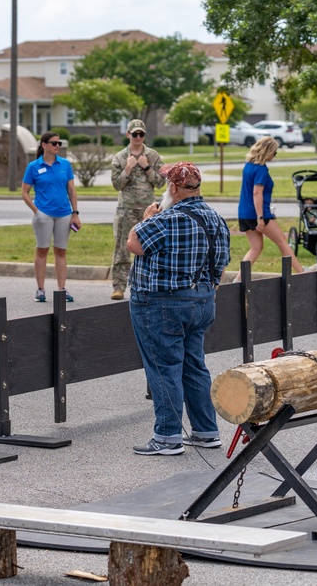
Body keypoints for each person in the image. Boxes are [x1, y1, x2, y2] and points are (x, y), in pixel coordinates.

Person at [127, 162, 230, 456]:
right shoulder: (216, 219)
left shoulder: (166, 219)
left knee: (164, 367)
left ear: (173, 188)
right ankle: (206, 431)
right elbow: (221, 264)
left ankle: (167, 436)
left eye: (166, 185)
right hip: (201, 300)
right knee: (194, 365)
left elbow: (133, 243)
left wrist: (145, 218)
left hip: (161, 303)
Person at [21, 131, 82, 303]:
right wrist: (36, 211)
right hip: (44, 214)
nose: (57, 146)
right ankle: (40, 289)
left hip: (64, 213)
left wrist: (75, 213)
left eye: (59, 143)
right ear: (44, 145)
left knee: (61, 251)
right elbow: (24, 193)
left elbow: (71, 190)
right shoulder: (34, 166)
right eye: (54, 143)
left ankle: (62, 288)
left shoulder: (65, 165)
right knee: (42, 250)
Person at [109, 119, 164, 300]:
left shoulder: (153, 155)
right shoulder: (120, 157)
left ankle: (148, 285)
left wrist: (147, 167)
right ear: (128, 135)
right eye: (135, 134)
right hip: (126, 209)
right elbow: (117, 185)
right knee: (121, 249)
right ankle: (118, 287)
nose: (138, 137)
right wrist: (128, 168)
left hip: (148, 210)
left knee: (149, 248)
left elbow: (161, 182)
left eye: (141, 134)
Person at [236, 136, 304, 280]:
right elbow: (257, 193)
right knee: (281, 241)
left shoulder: (248, 166)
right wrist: (260, 217)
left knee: (256, 248)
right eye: (275, 152)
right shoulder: (261, 170)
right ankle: (302, 273)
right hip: (259, 214)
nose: (275, 155)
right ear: (268, 152)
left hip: (244, 213)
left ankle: (238, 279)